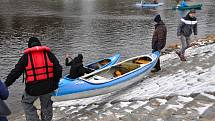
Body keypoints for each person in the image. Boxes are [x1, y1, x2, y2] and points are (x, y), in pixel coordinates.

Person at [4, 37, 62, 121]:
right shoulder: (48, 53)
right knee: (46, 106)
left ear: (29, 46)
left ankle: (33, 119)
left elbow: (16, 72)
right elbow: (58, 69)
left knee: (26, 102)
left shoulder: (26, 56)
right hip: (49, 87)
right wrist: (55, 82)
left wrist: (6, 84)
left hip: (32, 89)